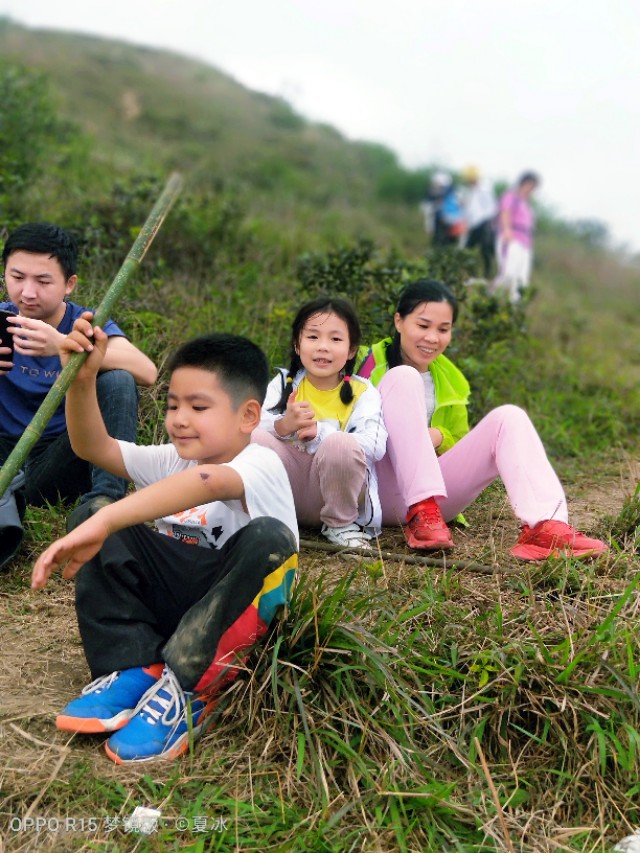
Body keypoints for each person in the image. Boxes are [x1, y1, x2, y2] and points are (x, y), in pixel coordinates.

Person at [31, 325, 299, 764]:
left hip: (234, 619)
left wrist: (110, 519)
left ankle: (190, 688)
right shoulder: (173, 458)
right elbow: (93, 447)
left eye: (198, 406)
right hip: (176, 608)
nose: (179, 418)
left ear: (248, 416)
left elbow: (209, 482)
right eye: (174, 404)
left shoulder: (260, 461)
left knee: (270, 538)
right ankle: (134, 666)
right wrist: (81, 380)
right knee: (94, 510)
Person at [356, 279, 608, 561]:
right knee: (404, 376)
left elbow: (459, 444)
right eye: (423, 326)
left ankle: (544, 526)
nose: (432, 338)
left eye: (443, 329)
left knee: (509, 416)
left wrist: (439, 436)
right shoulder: (362, 360)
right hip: (370, 489)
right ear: (399, 321)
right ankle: (421, 506)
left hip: (432, 511)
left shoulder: (451, 381)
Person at [0, 222, 158, 566]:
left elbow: (147, 371)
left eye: (43, 282)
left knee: (118, 378)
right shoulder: (2, 319)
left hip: (57, 459)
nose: (28, 292)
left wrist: (63, 345)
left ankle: (103, 503)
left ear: (69, 284)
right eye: (17, 277)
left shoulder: (83, 324)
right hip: (4, 455)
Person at [252, 295, 386, 549]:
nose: (323, 347)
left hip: (333, 496)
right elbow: (254, 426)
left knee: (341, 444)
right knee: (253, 437)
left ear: (351, 350)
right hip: (284, 495)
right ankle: (263, 518)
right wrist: (284, 425)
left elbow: (375, 445)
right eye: (313, 337)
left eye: (335, 339)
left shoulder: (364, 391)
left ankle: (340, 525)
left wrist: (320, 433)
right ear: (297, 344)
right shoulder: (284, 383)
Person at [493, 171, 540, 301]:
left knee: (521, 278)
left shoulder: (527, 204)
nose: (531, 190)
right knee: (508, 273)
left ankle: (515, 305)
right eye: (531, 186)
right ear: (524, 184)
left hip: (525, 243)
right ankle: (490, 300)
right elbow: (505, 212)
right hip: (512, 238)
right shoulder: (511, 197)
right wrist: (507, 230)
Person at [460, 165, 498, 279]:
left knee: (485, 250)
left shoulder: (484, 189)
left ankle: (487, 275)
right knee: (467, 250)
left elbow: (492, 207)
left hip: (484, 223)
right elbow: (469, 210)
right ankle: (469, 274)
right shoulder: (469, 192)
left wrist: (490, 222)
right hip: (473, 225)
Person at [421, 171, 466, 247]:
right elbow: (428, 212)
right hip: (440, 224)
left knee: (451, 243)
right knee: (438, 243)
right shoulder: (432, 198)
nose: (436, 187)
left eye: (439, 185)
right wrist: (429, 227)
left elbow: (462, 210)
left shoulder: (455, 195)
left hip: (453, 224)